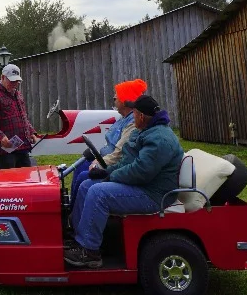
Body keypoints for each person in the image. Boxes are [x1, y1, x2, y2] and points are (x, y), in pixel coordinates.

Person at [65, 93, 184, 268]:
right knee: (86, 185)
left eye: (134, 114)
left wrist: (109, 175)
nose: (132, 117)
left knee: (98, 193)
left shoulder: (159, 139)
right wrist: (106, 171)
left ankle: (89, 252)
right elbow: (128, 162)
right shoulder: (146, 131)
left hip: (153, 194)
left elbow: (141, 172)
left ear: (141, 116)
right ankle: (80, 237)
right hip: (144, 186)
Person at [70, 78, 147, 201]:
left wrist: (99, 163)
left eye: (116, 98)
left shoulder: (133, 123)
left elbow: (120, 152)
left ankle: (74, 211)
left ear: (125, 101)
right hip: (107, 160)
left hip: (116, 165)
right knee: (80, 166)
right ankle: (70, 206)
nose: (114, 100)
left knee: (83, 176)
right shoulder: (123, 119)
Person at [0, 63, 39, 168]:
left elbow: (23, 117)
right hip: (5, 151)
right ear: (2, 77)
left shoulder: (18, 94)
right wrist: (1, 136)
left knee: (26, 179)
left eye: (17, 81)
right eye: (12, 81)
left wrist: (31, 132)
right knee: (8, 181)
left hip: (22, 147)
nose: (15, 83)